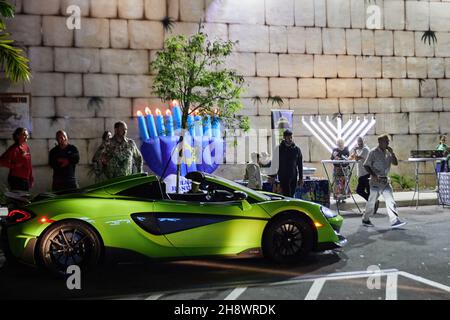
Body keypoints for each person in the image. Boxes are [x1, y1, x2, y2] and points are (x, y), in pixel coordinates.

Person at [362, 134, 406, 229]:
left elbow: (395, 163)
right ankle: (365, 219)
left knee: (390, 200)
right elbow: (366, 165)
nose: (388, 143)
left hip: (385, 181)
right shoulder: (373, 152)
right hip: (375, 181)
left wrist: (392, 153)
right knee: (372, 202)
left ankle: (394, 220)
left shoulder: (388, 152)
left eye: (388, 141)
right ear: (380, 142)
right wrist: (374, 175)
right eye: (386, 141)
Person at [275, 130, 303, 197]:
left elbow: (300, 164)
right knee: (286, 195)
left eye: (291, 137)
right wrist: (272, 176)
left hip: (293, 176)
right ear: (284, 138)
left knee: (292, 194)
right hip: (283, 176)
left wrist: (301, 178)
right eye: (288, 138)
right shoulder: (279, 149)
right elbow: (274, 163)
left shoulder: (296, 149)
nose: (290, 139)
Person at [331, 139, 350, 204]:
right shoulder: (335, 150)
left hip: (344, 169)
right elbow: (332, 158)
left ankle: (343, 198)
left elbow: (348, 158)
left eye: (340, 143)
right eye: (338, 143)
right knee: (337, 183)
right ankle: (337, 198)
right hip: (337, 169)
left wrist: (343, 158)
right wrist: (335, 157)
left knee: (344, 183)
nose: (339, 144)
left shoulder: (346, 149)